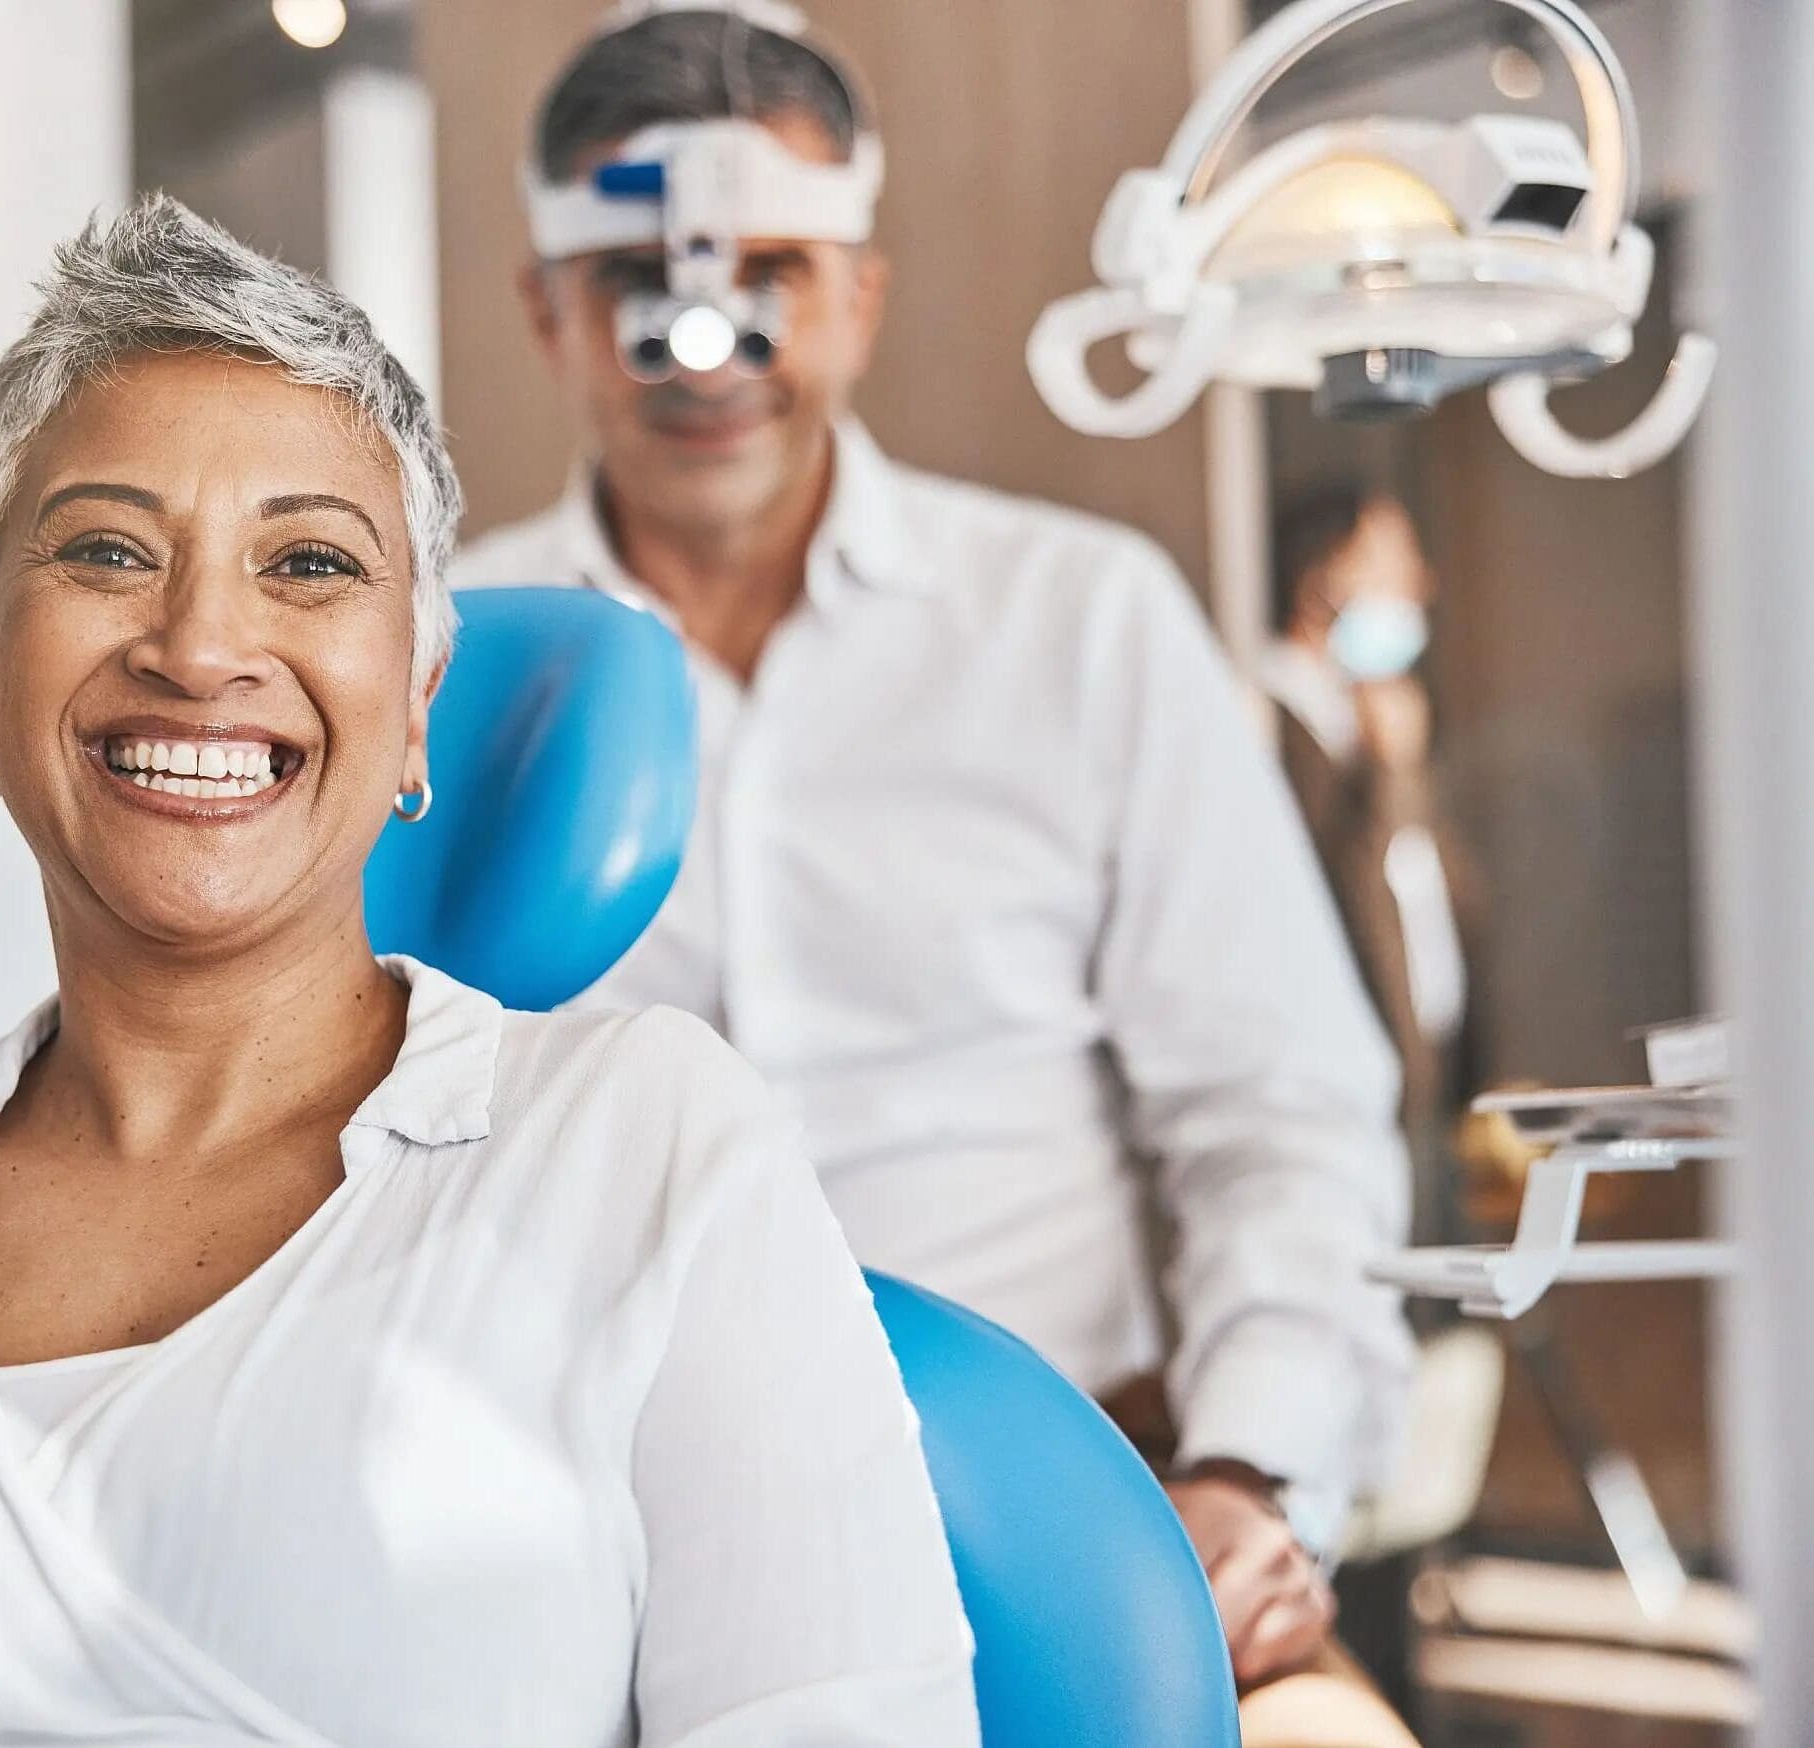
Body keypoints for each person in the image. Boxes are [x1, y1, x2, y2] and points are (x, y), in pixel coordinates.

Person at [0, 195, 976, 1747]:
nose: (197, 643)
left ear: (419, 704)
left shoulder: (646, 1143)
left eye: (307, 562)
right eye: (106, 548)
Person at [453, 2, 1414, 1690]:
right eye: (639, 288)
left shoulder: (1083, 621)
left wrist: (1254, 1465)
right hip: (600, 1547)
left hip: (1093, 1503)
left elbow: (1283, 1107)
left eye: (773, 276)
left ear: (861, 298)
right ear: (545, 308)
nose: (709, 344)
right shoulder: (440, 673)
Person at [1259, 486, 1474, 1198]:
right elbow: (1337, 885)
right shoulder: (1270, 719)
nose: (1420, 586)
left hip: (1421, 1066)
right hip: (1339, 1079)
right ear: (1321, 576)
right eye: (1390, 564)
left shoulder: (1374, 710)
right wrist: (1387, 770)